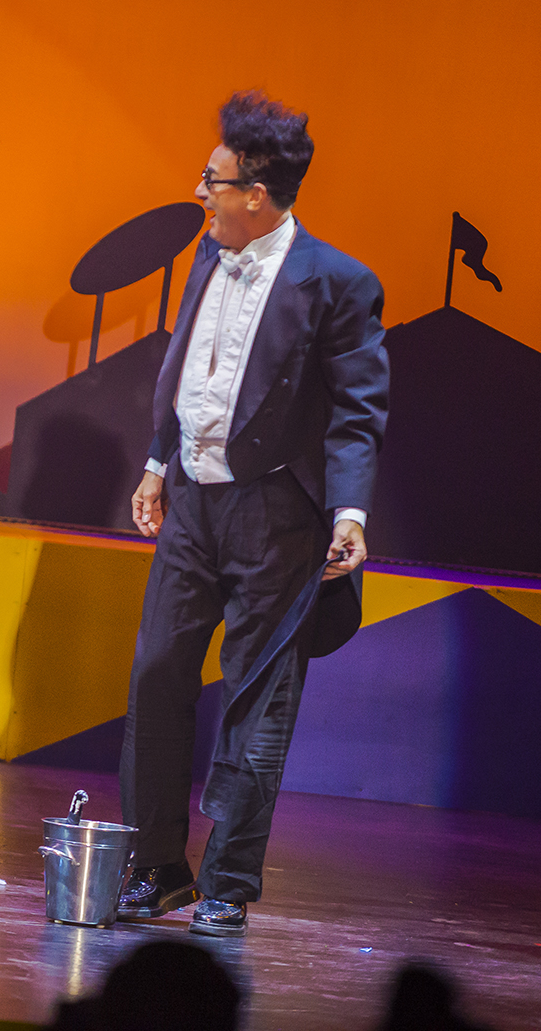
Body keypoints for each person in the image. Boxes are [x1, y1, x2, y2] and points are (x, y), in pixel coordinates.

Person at [118, 90, 387, 937]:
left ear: (256, 196)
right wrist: (158, 461)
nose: (200, 193)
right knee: (158, 674)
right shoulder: (210, 253)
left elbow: (357, 412)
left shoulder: (336, 282)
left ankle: (228, 883)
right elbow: (190, 368)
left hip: (276, 514)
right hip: (193, 501)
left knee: (257, 696)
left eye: (213, 181)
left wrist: (349, 513)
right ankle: (157, 868)